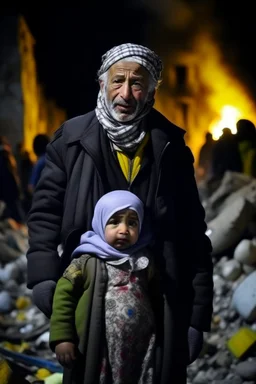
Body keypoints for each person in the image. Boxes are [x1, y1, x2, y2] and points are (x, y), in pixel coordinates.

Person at [26, 43, 213, 383]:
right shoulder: (71, 140)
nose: (126, 93)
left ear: (152, 91)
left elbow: (192, 235)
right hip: (89, 300)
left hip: (159, 303)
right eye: (118, 81)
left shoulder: (170, 147)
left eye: (137, 83)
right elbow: (44, 214)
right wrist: (42, 276)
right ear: (102, 84)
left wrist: (197, 316)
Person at [50, 190, 156, 383]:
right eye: (114, 222)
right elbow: (63, 297)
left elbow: (157, 294)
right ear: (100, 222)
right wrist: (62, 338)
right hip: (101, 349)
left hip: (141, 349)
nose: (123, 229)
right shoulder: (86, 262)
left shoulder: (144, 260)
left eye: (132, 223)